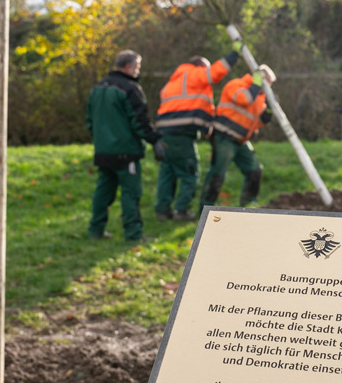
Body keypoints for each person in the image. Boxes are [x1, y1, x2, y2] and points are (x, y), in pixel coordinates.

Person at [86, 49, 166, 241]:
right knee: (131, 194)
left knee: (103, 192)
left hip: (103, 151)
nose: (138, 71)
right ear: (129, 67)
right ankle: (133, 233)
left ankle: (95, 231)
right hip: (125, 151)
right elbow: (139, 120)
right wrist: (154, 139)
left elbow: (89, 121)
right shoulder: (130, 88)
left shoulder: (96, 88)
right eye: (137, 67)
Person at [154, 51, 240, 220]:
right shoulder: (192, 74)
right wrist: (235, 54)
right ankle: (182, 210)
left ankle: (162, 211)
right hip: (182, 135)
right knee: (189, 173)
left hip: (164, 134)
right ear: (200, 67)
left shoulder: (171, 83)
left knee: (167, 173)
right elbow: (216, 72)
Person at [198, 64, 276, 212]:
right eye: (268, 83)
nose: (267, 88)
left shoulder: (259, 97)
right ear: (260, 78)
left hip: (241, 140)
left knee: (255, 170)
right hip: (224, 136)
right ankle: (206, 207)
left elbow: (256, 122)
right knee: (218, 173)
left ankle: (249, 204)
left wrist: (268, 113)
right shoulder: (236, 85)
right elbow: (244, 99)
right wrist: (256, 85)